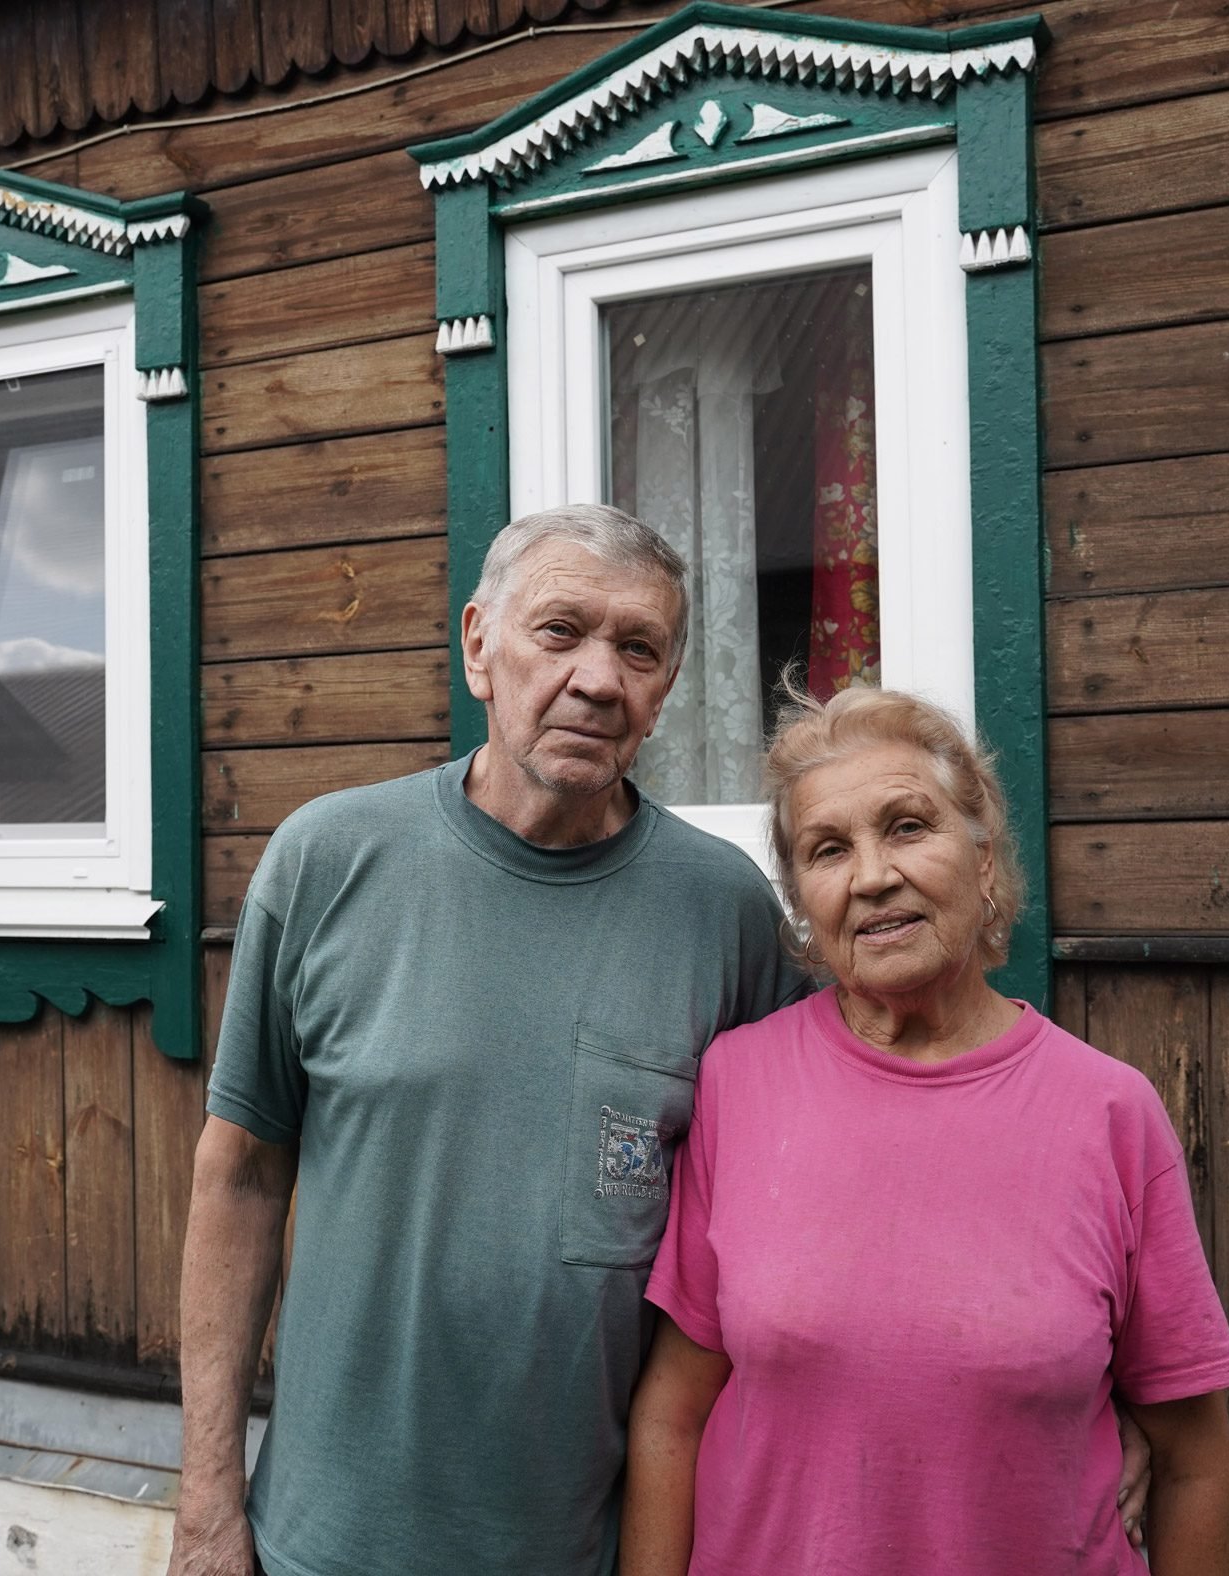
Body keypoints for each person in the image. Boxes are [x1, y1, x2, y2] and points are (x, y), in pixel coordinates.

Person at [167, 505, 803, 1576]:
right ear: (479, 647)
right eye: (561, 632)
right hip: (318, 1543)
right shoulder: (328, 861)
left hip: (580, 1548)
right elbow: (239, 1179)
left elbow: (794, 1220)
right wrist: (206, 1503)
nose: (600, 679)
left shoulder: (725, 912)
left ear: (665, 690)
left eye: (638, 649)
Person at [620, 685, 1229, 1576]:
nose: (872, 876)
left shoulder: (1111, 1113)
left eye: (908, 827)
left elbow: (1192, 1459)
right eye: (828, 850)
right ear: (803, 899)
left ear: (984, 857)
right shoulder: (735, 1084)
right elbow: (673, 1415)